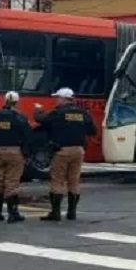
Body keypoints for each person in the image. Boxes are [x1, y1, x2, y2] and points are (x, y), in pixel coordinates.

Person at [34, 87, 96, 222]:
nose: (56, 100)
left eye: (57, 98)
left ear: (63, 99)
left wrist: (38, 110)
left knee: (57, 180)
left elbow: (42, 120)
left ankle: (55, 213)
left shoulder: (58, 113)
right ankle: (72, 212)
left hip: (62, 151)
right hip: (78, 151)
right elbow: (92, 130)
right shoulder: (83, 113)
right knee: (74, 181)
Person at [0, 91, 31, 222]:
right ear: (17, 102)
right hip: (15, 151)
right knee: (12, 182)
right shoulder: (20, 117)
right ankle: (13, 213)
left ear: (5, 101)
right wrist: (26, 154)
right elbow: (27, 137)